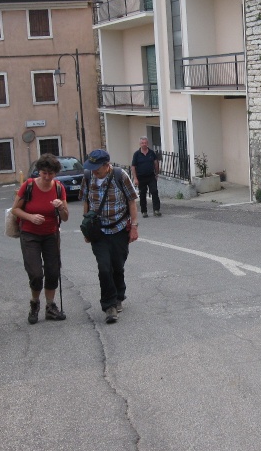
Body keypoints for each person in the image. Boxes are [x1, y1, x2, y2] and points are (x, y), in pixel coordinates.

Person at [11, 153, 69, 324]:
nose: (46, 177)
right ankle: (35, 303)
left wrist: (60, 208)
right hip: (30, 234)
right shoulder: (28, 186)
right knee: (36, 273)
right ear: (39, 172)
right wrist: (30, 217)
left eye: (50, 174)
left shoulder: (59, 188)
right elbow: (15, 209)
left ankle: (50, 306)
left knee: (53, 271)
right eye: (44, 173)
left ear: (55, 174)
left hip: (51, 234)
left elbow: (65, 217)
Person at [81, 149, 139, 324]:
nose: (94, 171)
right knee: (104, 268)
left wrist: (134, 226)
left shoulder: (120, 176)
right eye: (92, 167)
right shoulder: (88, 177)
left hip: (120, 229)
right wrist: (86, 228)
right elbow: (86, 201)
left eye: (97, 168)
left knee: (117, 266)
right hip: (99, 231)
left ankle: (119, 295)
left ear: (107, 166)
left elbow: (131, 201)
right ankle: (109, 305)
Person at [131, 136, 162, 218]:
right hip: (141, 177)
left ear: (147, 143)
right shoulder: (136, 154)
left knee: (154, 191)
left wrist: (157, 173)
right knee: (142, 194)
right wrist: (135, 178)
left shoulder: (151, 153)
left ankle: (156, 210)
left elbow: (156, 163)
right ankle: (144, 211)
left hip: (151, 176)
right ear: (140, 144)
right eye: (142, 143)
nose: (144, 144)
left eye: (145, 143)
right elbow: (133, 167)